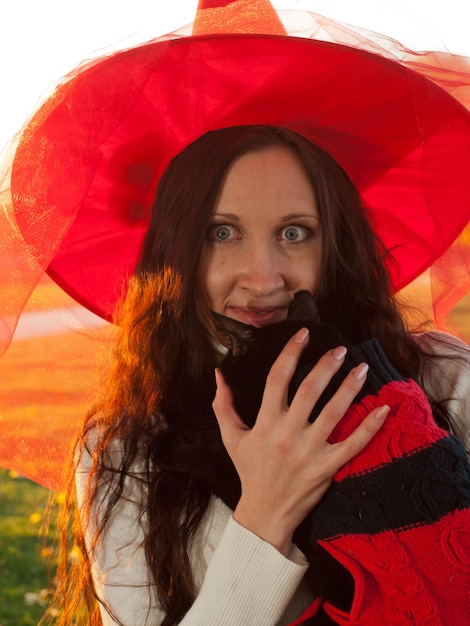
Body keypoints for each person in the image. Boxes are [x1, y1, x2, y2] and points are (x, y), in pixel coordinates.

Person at [5, 4, 470, 626]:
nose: (263, 278)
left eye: (296, 233)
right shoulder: (127, 451)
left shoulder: (444, 381)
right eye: (221, 232)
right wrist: (266, 513)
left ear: (339, 243)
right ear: (175, 250)